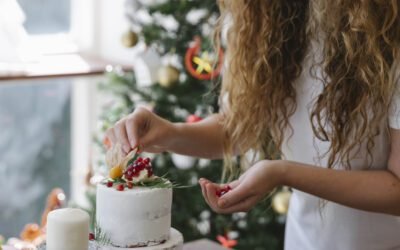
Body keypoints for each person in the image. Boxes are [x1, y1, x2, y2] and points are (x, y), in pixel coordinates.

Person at [105, 1, 400, 249]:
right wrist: (169, 133)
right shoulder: (261, 15)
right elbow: (238, 128)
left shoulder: (388, 29)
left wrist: (283, 171)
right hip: (303, 240)